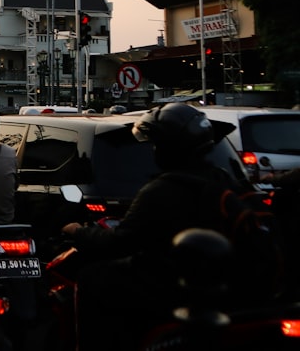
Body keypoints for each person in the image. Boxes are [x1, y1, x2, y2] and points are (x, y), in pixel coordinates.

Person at [60, 103, 248, 351]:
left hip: (173, 285)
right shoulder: (225, 179)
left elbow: (120, 242)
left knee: (92, 277)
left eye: (156, 144)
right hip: (225, 285)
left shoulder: (163, 189)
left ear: (168, 148)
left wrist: (78, 232)